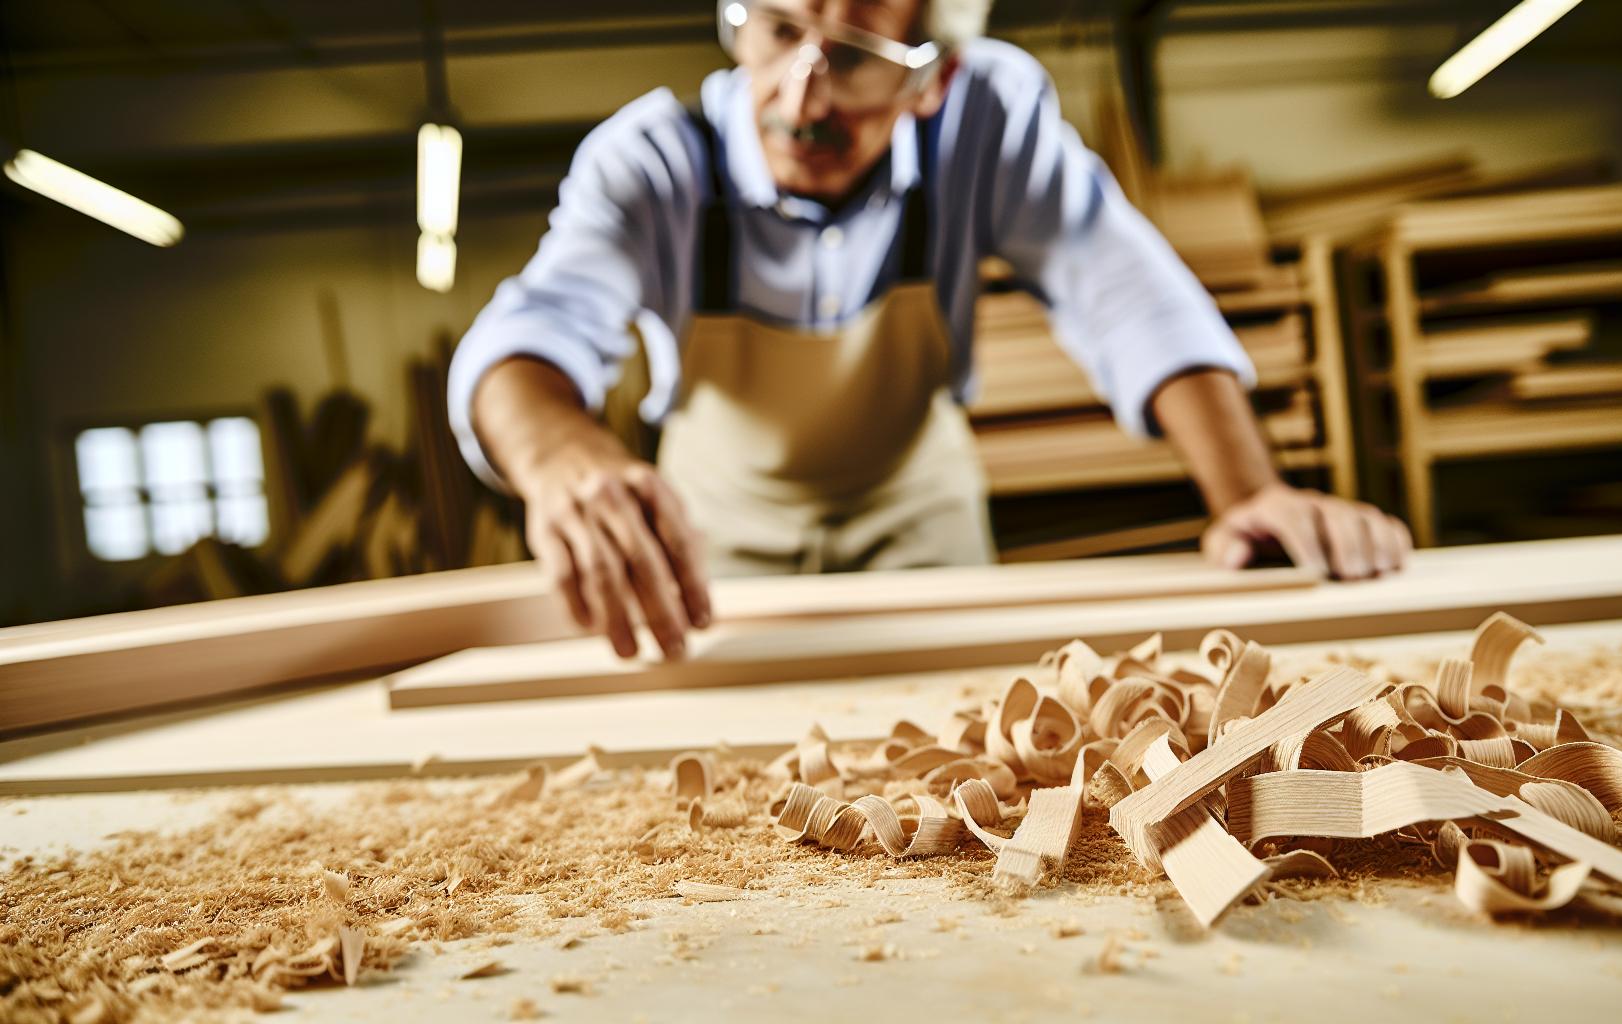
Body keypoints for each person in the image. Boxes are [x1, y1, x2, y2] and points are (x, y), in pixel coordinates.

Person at [448, 0, 1412, 661]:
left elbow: (1123, 288)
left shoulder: (985, 123)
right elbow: (530, 334)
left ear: (935, 76)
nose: (801, 99)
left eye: (855, 58)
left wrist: (1250, 492)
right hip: (715, 539)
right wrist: (560, 457)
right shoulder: (653, 161)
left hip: (918, 523)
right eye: (778, 31)